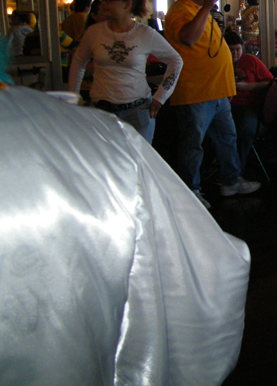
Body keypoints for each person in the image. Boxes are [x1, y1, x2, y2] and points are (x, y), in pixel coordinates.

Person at [0, 57, 250, 386]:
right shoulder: (99, 140)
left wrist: (158, 97)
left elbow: (174, 59)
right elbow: (203, 278)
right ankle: (193, 187)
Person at [164, 0, 261, 208]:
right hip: (195, 92)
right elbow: (188, 38)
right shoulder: (179, 10)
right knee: (192, 144)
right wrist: (207, 7)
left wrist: (227, 88)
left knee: (227, 138)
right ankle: (191, 190)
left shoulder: (200, 11)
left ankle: (231, 180)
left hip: (217, 91)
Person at [68, 0, 183, 144]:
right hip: (102, 112)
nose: (104, 4)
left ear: (127, 4)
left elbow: (175, 60)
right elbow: (78, 64)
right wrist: (74, 96)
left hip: (138, 112)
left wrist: (161, 96)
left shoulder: (145, 34)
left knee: (140, 164)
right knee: (108, 164)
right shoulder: (94, 32)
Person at [224, 31, 275, 170]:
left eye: (238, 50)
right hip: (224, 107)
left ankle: (237, 170)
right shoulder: (219, 62)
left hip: (249, 106)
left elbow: (271, 83)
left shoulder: (251, 61)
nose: (235, 53)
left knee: (244, 131)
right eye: (231, 50)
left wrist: (250, 86)